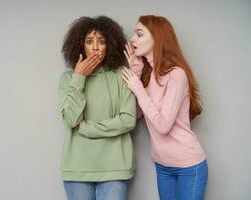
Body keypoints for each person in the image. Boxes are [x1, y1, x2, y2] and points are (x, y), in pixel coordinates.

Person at [121, 15, 208, 200]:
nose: (132, 39)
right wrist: (137, 75)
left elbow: (163, 125)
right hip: (162, 165)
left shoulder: (177, 75)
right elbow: (136, 114)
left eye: (139, 34)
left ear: (157, 38)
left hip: (189, 166)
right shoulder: (148, 75)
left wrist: (137, 87)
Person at [58, 16, 136, 200]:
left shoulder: (122, 76)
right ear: (79, 45)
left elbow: (128, 119)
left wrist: (87, 128)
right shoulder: (68, 79)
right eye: (89, 41)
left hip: (115, 168)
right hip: (77, 168)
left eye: (101, 41)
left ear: (110, 45)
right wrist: (79, 78)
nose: (95, 47)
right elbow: (70, 119)